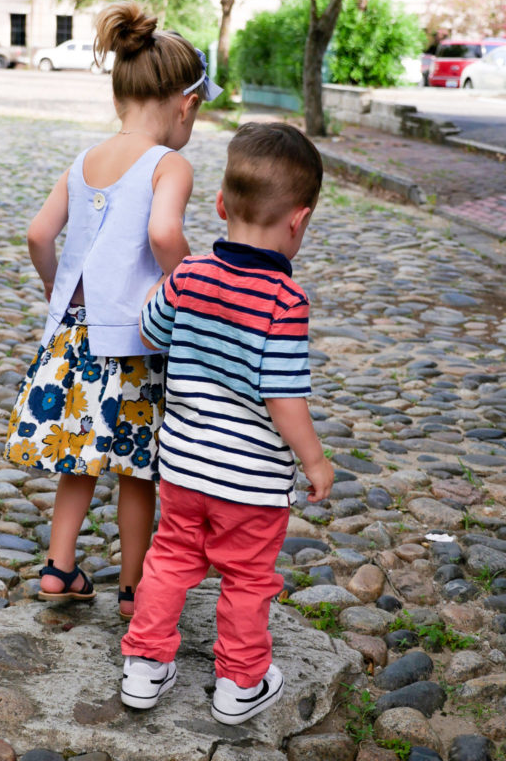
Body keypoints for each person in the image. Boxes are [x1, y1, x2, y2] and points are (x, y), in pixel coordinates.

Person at [4, 0, 223, 620]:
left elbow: (37, 236)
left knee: (79, 455)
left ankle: (59, 568)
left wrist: (61, 296)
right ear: (185, 102)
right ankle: (132, 590)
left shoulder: (83, 161)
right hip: (133, 342)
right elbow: (162, 235)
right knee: (137, 467)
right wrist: (190, 284)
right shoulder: (169, 163)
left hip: (73, 335)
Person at [120, 121, 334, 723]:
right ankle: (240, 684)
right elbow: (284, 396)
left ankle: (144, 666)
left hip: (184, 470)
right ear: (299, 219)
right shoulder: (285, 301)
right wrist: (313, 460)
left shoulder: (187, 276)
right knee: (246, 579)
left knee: (168, 563)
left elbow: (150, 329)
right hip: (252, 485)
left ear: (219, 205)